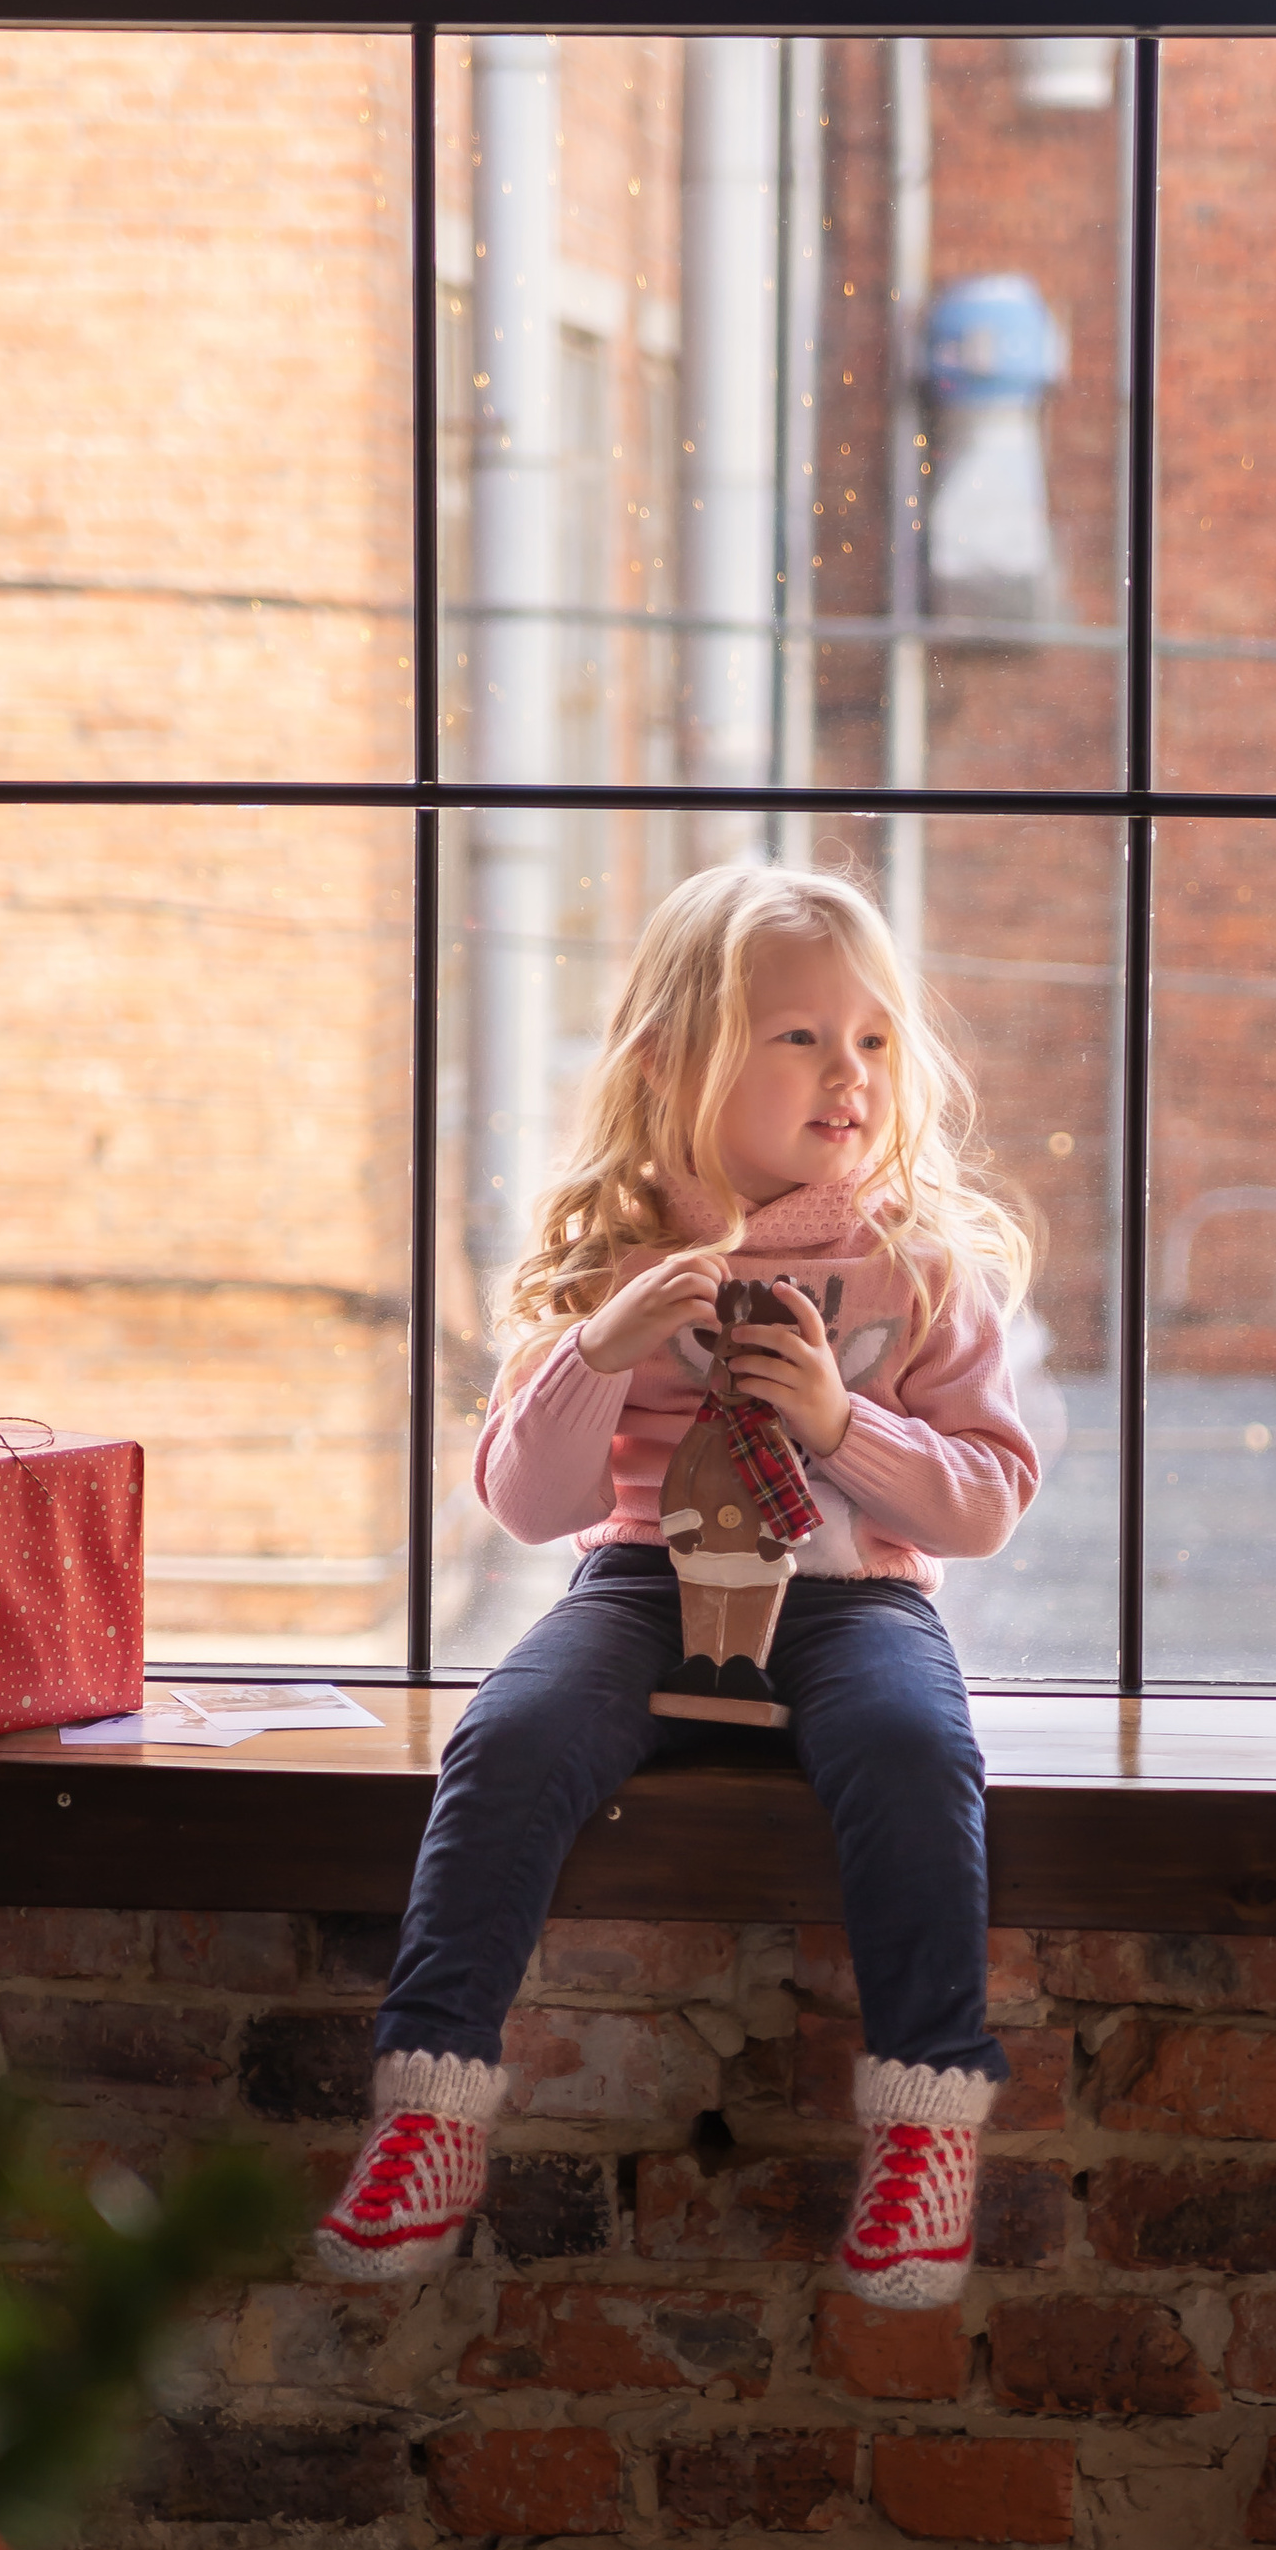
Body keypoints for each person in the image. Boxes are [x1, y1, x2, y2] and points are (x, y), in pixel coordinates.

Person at [316, 862, 1040, 2310]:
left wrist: (846, 1426)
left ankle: (926, 2126)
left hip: (853, 1593)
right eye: (800, 1037)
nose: (848, 1073)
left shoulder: (918, 1269)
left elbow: (985, 1502)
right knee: (510, 1738)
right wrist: (599, 1348)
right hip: (641, 1581)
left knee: (914, 1748)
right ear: (673, 1061)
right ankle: (433, 2105)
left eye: (874, 1040)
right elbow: (528, 1503)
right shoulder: (614, 1266)